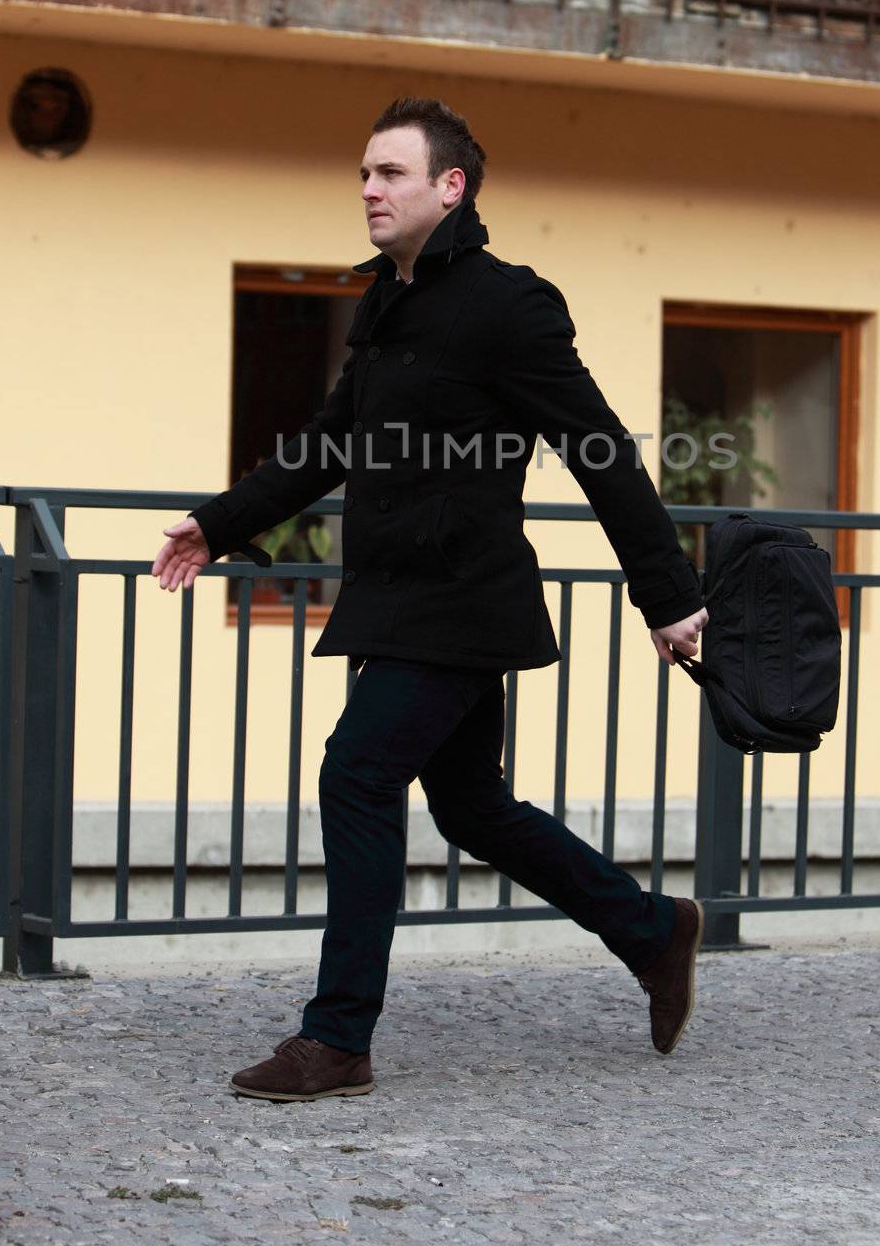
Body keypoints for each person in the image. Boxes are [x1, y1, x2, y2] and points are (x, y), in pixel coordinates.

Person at [151, 96, 710, 1103]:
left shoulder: (508, 304)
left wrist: (666, 595)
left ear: (450, 187)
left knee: (358, 774)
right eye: (363, 172)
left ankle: (337, 1038)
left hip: (461, 598)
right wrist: (220, 522)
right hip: (395, 595)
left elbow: (601, 452)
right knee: (471, 805)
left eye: (390, 173)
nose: (368, 188)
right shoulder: (384, 303)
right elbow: (328, 443)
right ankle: (650, 927)